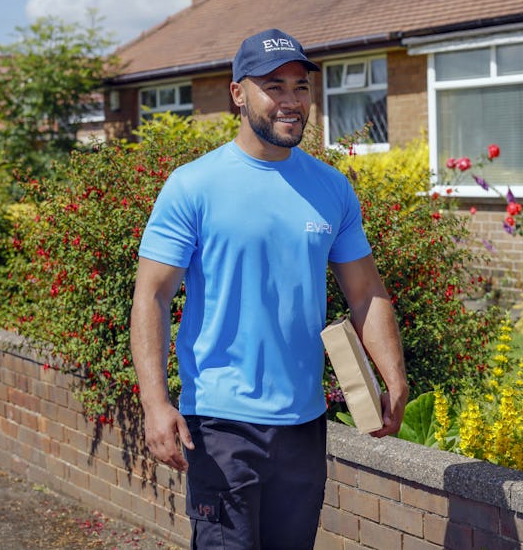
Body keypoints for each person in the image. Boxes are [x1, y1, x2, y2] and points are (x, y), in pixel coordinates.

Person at [129, 28, 408, 549]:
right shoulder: (194, 186)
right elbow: (153, 296)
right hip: (220, 423)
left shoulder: (331, 187)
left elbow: (366, 290)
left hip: (304, 423)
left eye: (300, 88)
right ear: (238, 93)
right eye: (273, 86)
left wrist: (393, 376)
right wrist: (155, 403)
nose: (291, 101)